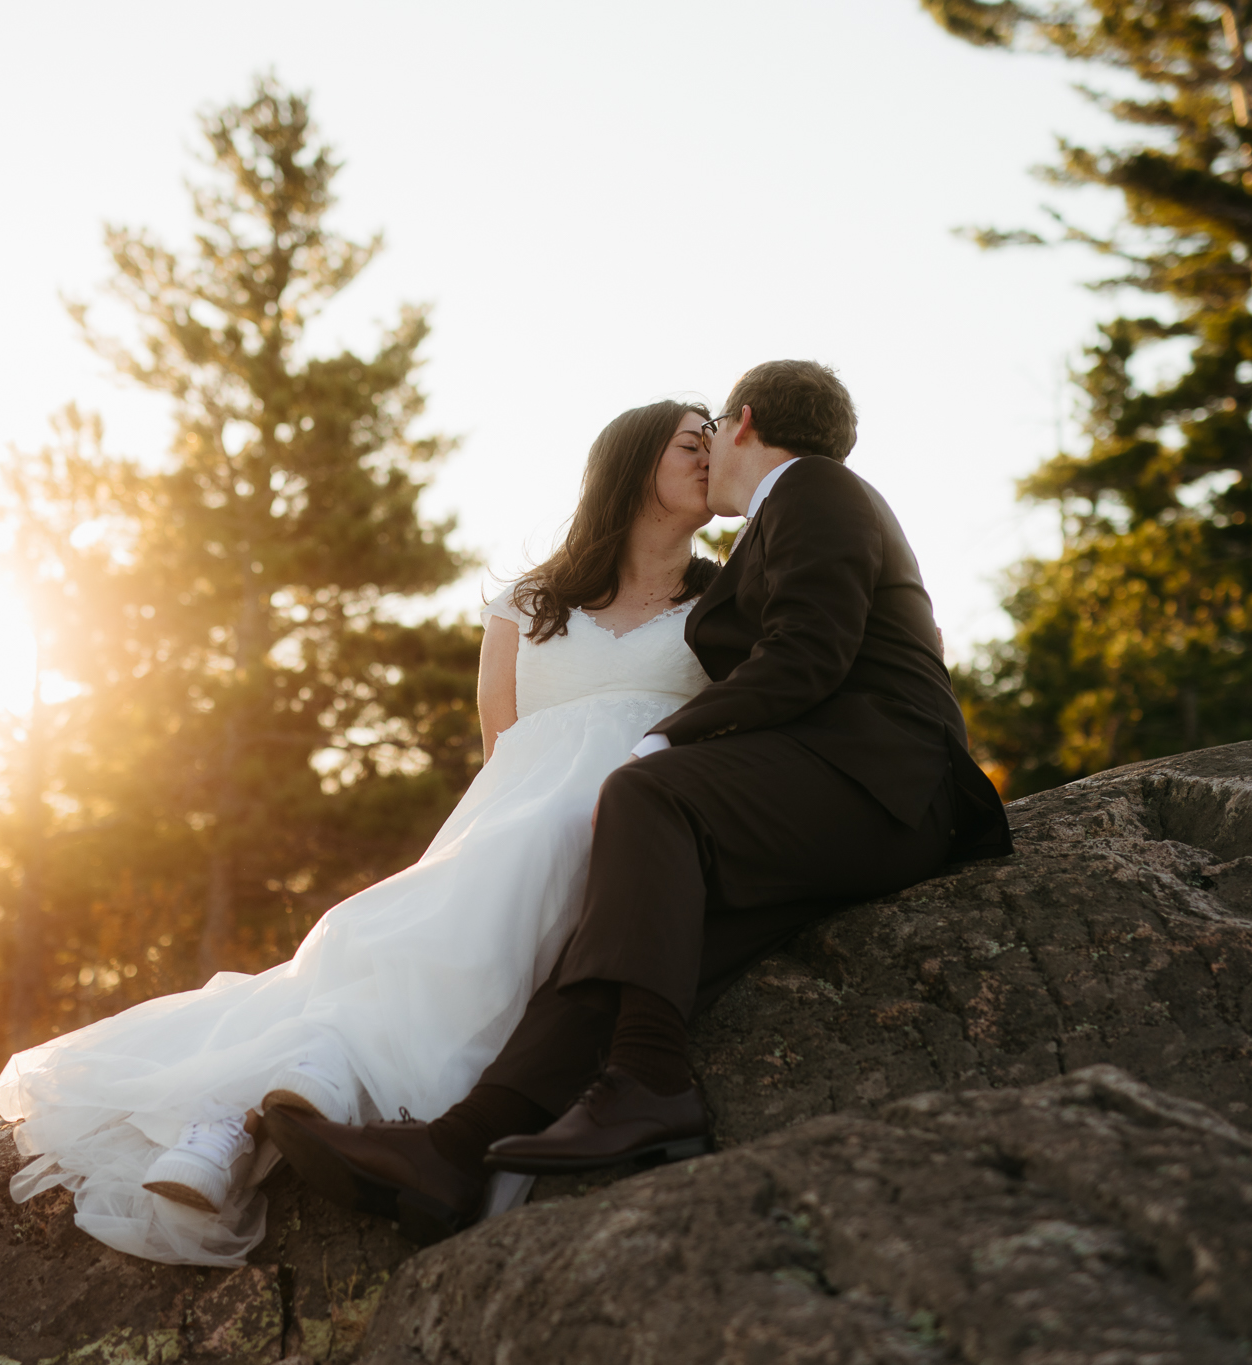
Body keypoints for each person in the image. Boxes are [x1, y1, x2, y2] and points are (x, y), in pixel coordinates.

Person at [266, 360, 1012, 1244]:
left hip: (882, 784)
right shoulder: (778, 526)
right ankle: (454, 1154)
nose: (703, 462)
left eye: (708, 440)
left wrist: (662, 741)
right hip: (846, 807)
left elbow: (807, 656)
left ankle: (652, 1084)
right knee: (626, 953)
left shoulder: (815, 489)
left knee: (651, 795)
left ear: (742, 423)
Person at [0, 399, 724, 1264]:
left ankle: (273, 1099)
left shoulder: (724, 598)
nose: (714, 456)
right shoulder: (527, 601)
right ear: (636, 463)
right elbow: (502, 748)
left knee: (506, 890)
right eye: (692, 443)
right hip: (510, 816)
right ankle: (243, 1113)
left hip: (629, 818)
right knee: (391, 925)